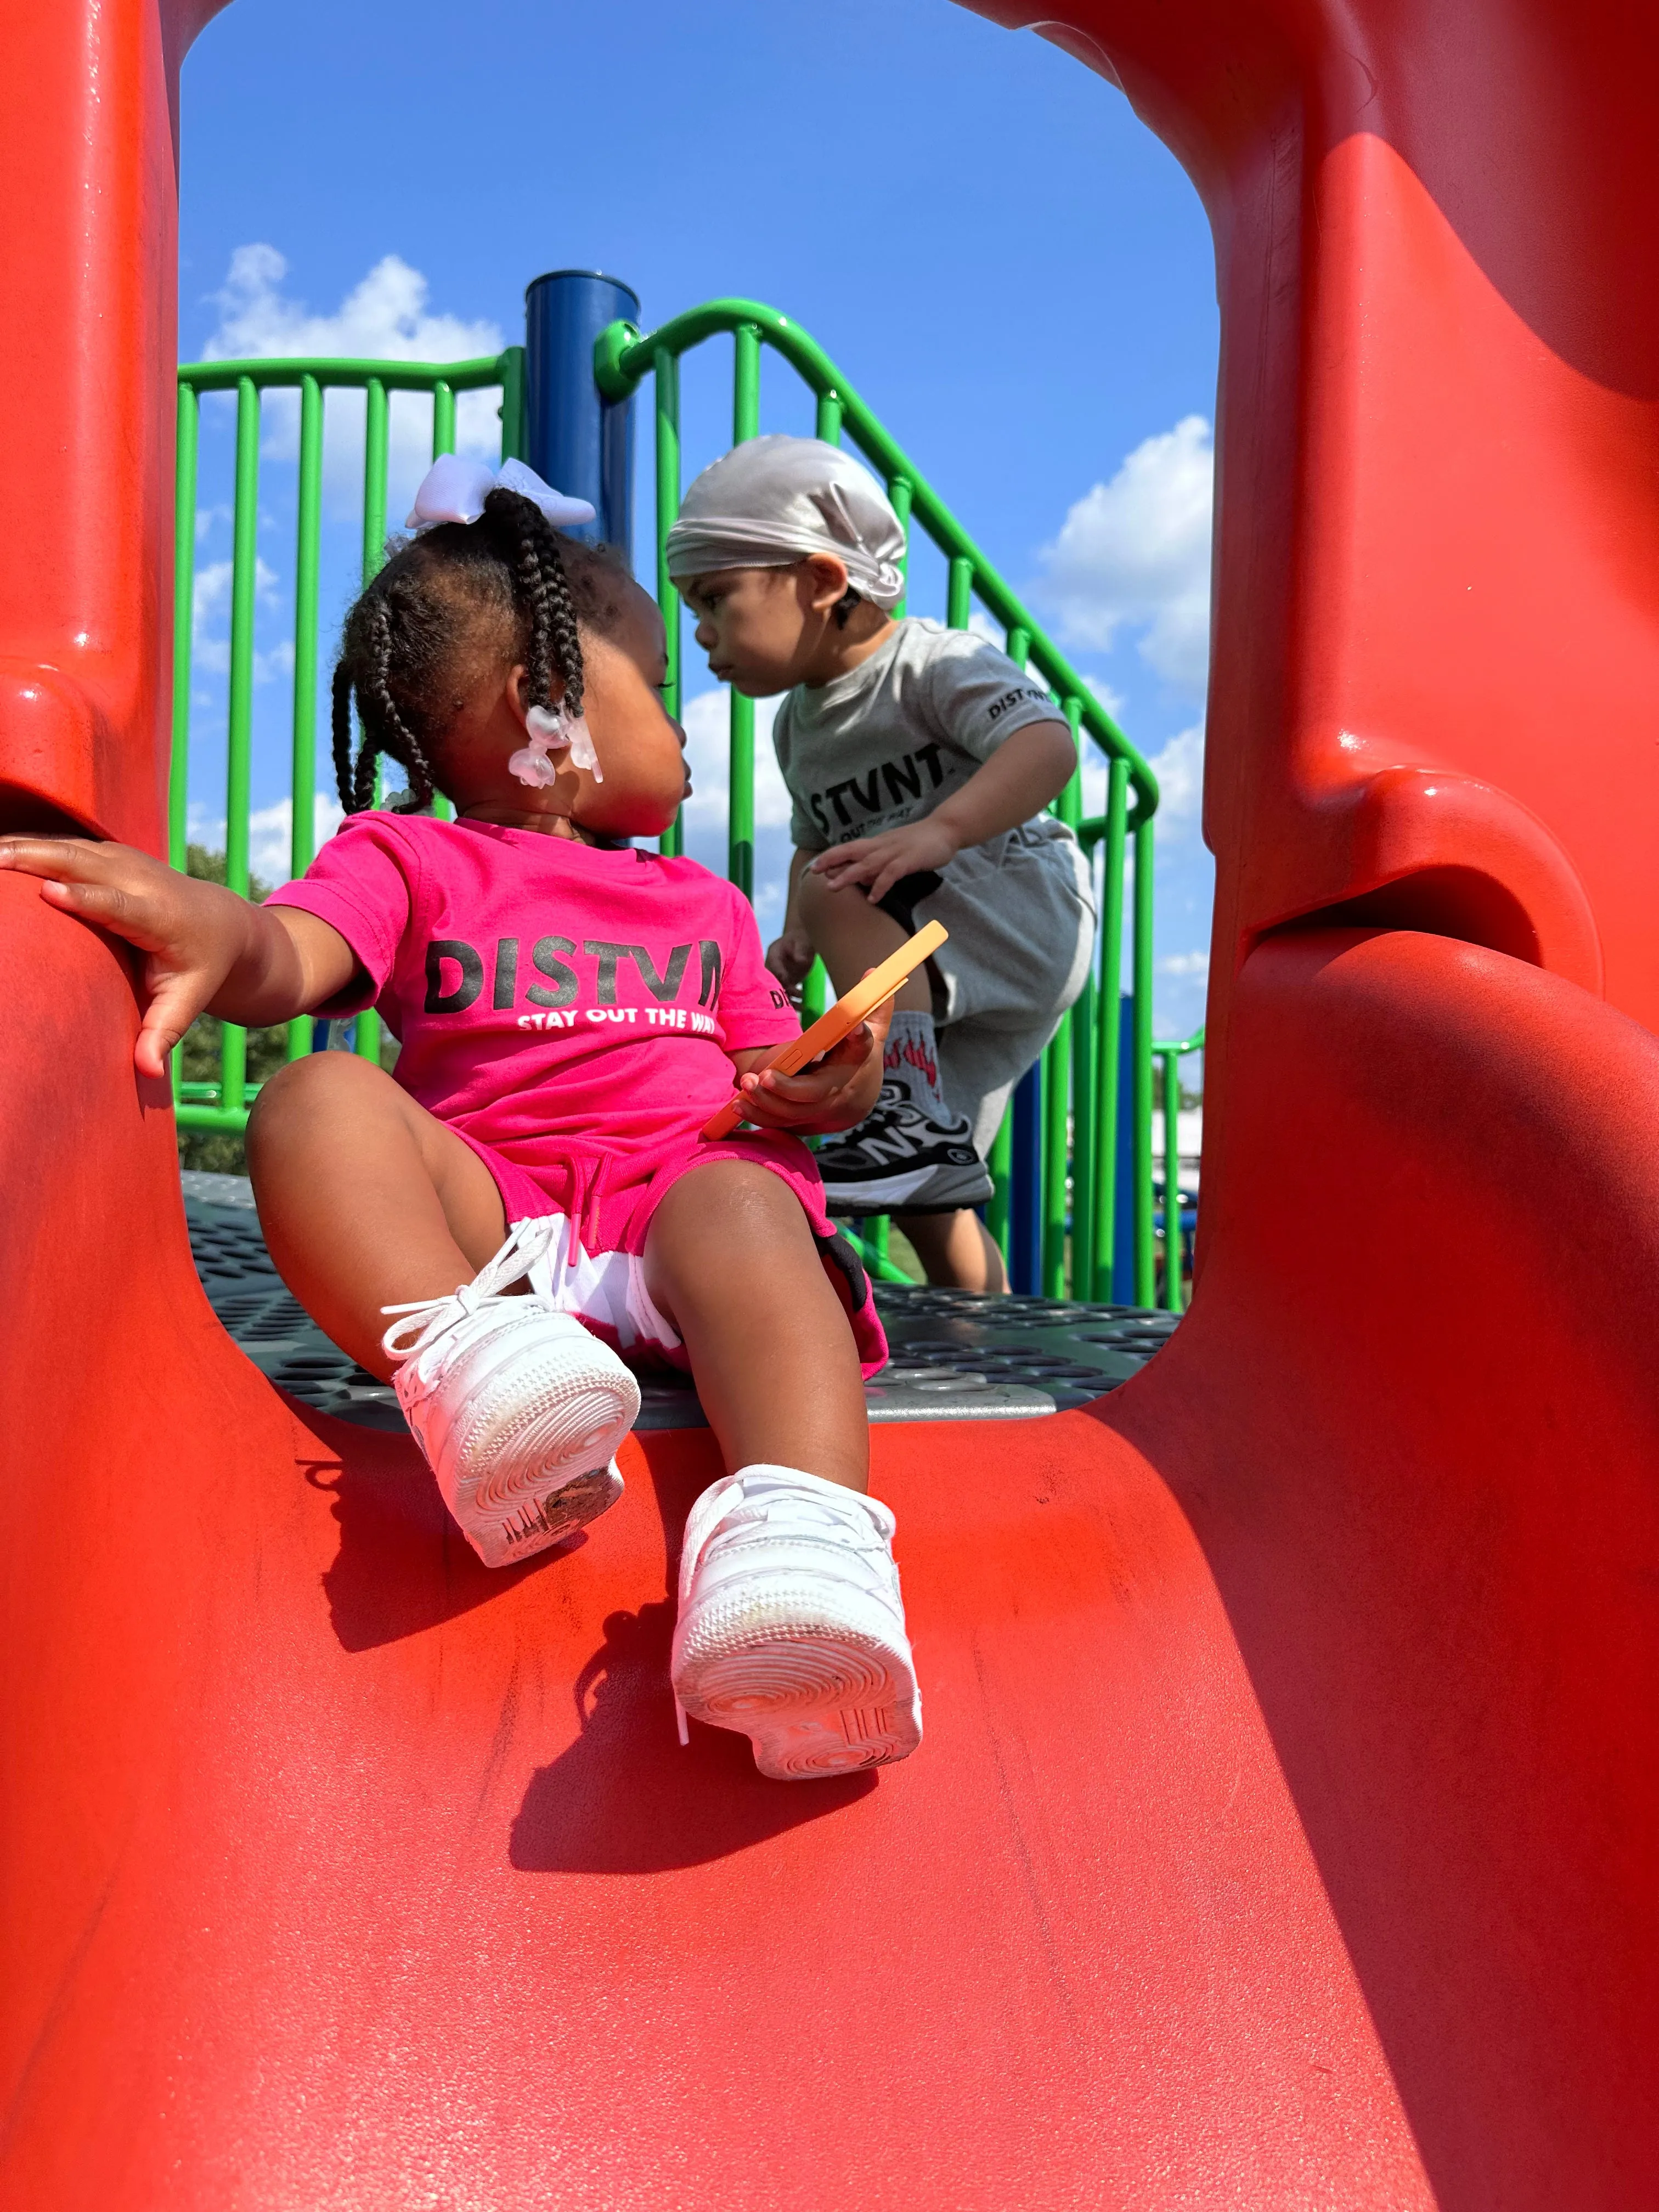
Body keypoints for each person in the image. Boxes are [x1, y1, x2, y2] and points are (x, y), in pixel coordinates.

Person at [0, 455, 921, 1784]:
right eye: (656, 689)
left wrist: (835, 1077)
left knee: (750, 1199)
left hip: (681, 1201)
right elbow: (289, 957)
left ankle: (802, 1544)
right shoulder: (405, 857)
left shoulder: (701, 906)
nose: (679, 719)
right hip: (500, 1235)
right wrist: (216, 924)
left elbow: (774, 1065)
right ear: (552, 708)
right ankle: (475, 1379)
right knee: (316, 1095)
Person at [667, 435, 1095, 1296]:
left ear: (823, 581)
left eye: (717, 599)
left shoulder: (930, 665)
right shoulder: (797, 728)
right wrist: (796, 930)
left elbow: (1047, 745)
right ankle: (982, 1327)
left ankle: (902, 1106)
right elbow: (811, 837)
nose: (704, 636)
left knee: (841, 888)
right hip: (940, 970)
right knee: (927, 1190)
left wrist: (942, 830)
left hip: (1016, 907)